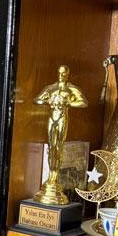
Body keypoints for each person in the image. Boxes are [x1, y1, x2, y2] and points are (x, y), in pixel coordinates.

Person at [32, 65, 88, 205]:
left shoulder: (72, 89)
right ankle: (51, 177)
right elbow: (37, 100)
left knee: (59, 148)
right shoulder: (51, 88)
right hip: (52, 118)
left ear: (67, 74)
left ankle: (55, 177)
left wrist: (68, 102)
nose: (61, 76)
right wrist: (48, 100)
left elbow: (83, 103)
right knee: (51, 147)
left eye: (64, 73)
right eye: (59, 73)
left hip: (62, 118)